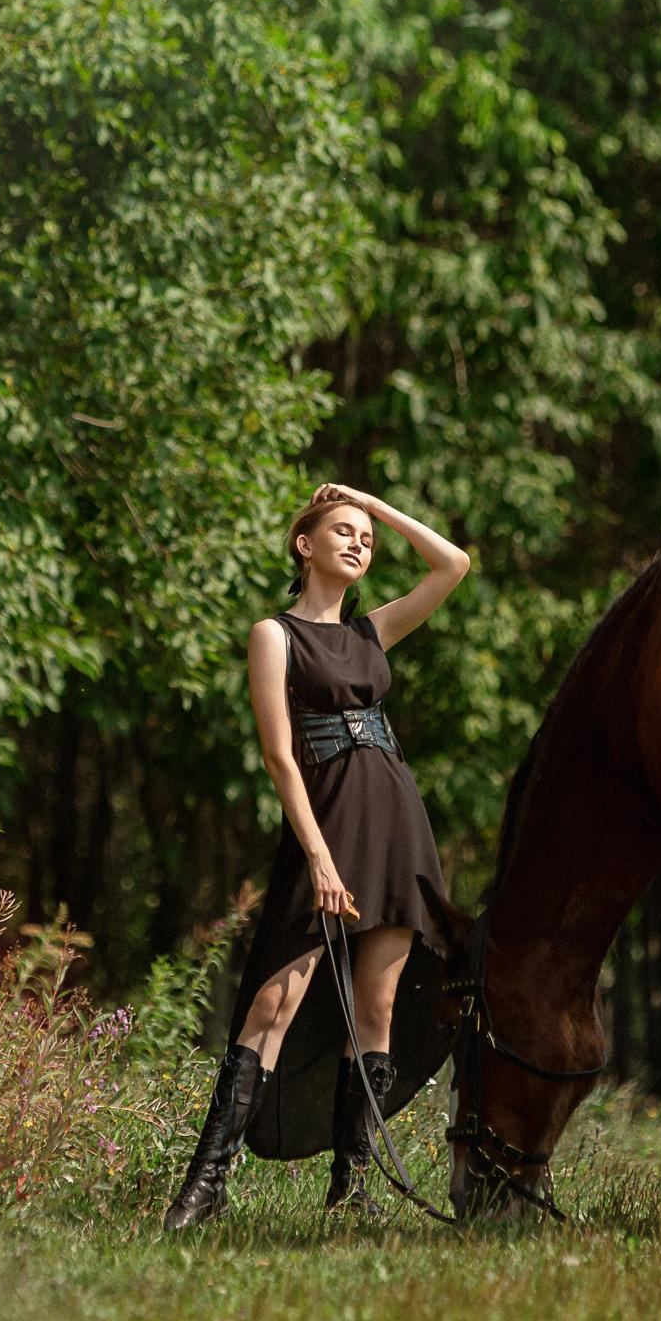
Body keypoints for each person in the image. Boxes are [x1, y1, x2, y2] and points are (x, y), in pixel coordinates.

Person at [161, 482, 471, 1230]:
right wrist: (321, 859)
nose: (360, 542)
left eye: (366, 536)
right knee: (274, 1000)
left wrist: (372, 502)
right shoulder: (276, 635)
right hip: (326, 829)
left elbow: (453, 563)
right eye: (344, 529)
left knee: (379, 1007)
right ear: (305, 546)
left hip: (396, 824)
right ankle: (205, 1188)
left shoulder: (371, 633)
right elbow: (279, 757)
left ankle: (351, 1187)